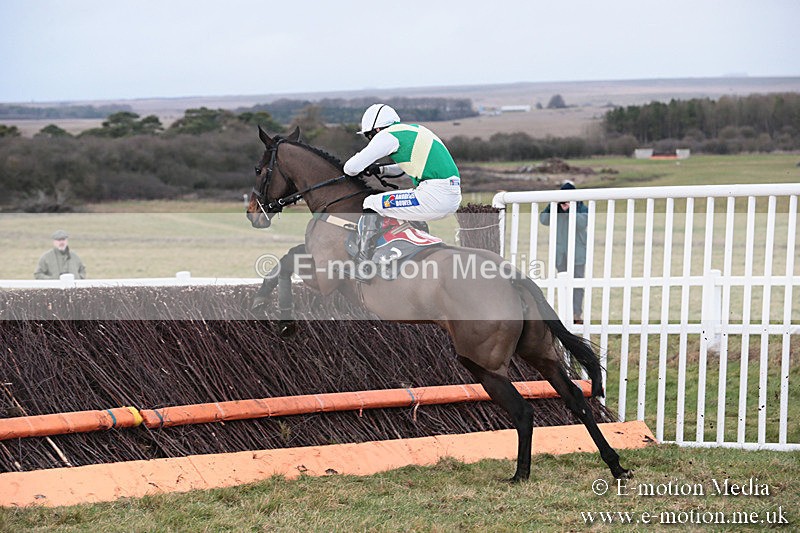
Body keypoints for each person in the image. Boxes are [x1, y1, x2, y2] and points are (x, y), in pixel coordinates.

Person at [343, 103, 462, 268]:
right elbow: (408, 168)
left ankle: (364, 262)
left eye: (368, 136)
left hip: (433, 196)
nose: (370, 140)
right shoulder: (415, 130)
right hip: (450, 196)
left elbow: (350, 168)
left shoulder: (387, 135)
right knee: (401, 207)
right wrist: (381, 168)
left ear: (376, 130)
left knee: (370, 203)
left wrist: (362, 166)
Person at [539, 181, 588, 323]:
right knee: (562, 284)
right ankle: (565, 313)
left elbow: (582, 223)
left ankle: (576, 314)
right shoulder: (555, 208)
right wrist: (552, 205)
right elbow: (543, 219)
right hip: (561, 254)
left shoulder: (581, 208)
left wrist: (570, 210)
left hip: (577, 253)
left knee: (577, 285)